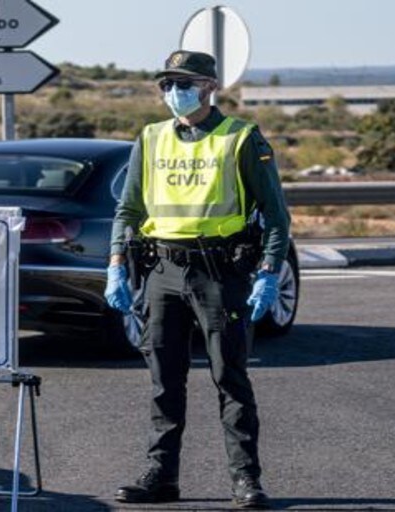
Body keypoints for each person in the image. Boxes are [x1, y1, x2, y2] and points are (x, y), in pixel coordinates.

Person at [105, 50, 291, 510]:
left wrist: (267, 272)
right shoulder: (150, 138)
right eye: (167, 85)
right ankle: (161, 476)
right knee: (164, 380)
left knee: (230, 377)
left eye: (183, 84)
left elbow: (275, 215)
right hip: (163, 271)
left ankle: (246, 479)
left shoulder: (240, 138)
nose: (173, 93)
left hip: (219, 271)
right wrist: (114, 265)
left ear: (209, 87)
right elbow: (129, 209)